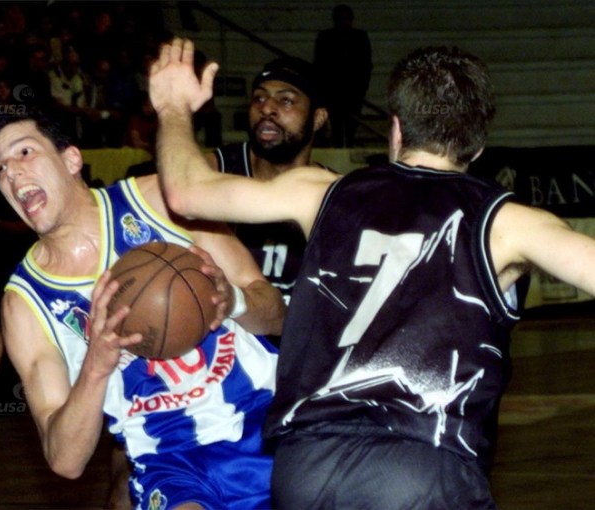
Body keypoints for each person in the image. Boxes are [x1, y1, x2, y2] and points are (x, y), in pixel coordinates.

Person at [150, 38, 595, 508]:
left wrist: (173, 107)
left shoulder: (319, 191)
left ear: (396, 128)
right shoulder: (508, 224)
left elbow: (185, 192)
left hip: (306, 466)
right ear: (478, 145)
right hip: (423, 462)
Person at [0, 108, 285, 509]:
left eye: (24, 152)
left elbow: (277, 315)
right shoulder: (24, 303)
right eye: (0, 167)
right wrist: (95, 366)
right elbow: (65, 460)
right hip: (173, 462)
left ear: (71, 159)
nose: (12, 173)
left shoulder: (161, 200)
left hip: (268, 418)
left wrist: (234, 299)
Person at [209, 55, 332, 307]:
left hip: (293, 328)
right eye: (259, 98)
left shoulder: (332, 193)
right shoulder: (217, 168)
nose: (266, 109)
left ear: (317, 118)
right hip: (223, 324)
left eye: (286, 100)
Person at [314, 4, 372, 147]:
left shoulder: (359, 37)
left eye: (346, 18)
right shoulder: (326, 37)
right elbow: (320, 65)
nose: (343, 22)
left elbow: (365, 65)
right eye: (341, 19)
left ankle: (345, 149)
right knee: (337, 128)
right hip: (334, 92)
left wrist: (361, 88)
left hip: (352, 91)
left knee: (350, 126)